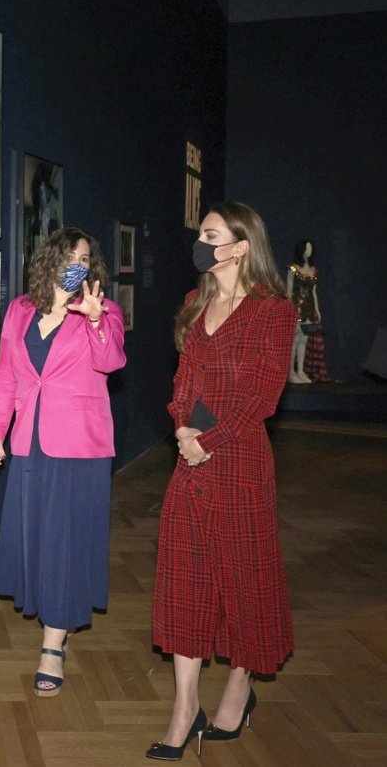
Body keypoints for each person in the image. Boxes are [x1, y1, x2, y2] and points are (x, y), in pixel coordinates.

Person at [147, 202, 296, 761]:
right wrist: (183, 428)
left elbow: (263, 394)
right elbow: (184, 375)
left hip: (239, 463)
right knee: (184, 580)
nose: (201, 242)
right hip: (191, 459)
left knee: (243, 581)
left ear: (240, 247)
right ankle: (185, 709)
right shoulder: (195, 302)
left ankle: (241, 684)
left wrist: (208, 441)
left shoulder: (273, 313)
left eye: (210, 234)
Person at [0, 226, 126, 697]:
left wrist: (92, 319)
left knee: (66, 541)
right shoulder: (19, 311)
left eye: (85, 259)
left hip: (79, 446)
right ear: (49, 260)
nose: (77, 266)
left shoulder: (105, 311)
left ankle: (53, 645)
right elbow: (6, 374)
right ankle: (49, 613)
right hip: (29, 441)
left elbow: (111, 362)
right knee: (37, 538)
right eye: (69, 257)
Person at [287, 239, 321, 384]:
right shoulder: (292, 269)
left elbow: (314, 293)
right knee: (294, 340)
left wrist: (317, 310)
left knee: (304, 341)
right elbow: (288, 292)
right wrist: (291, 312)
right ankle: (290, 372)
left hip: (309, 309)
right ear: (301, 250)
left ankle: (300, 370)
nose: (309, 251)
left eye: (311, 248)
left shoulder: (313, 271)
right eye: (307, 248)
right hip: (296, 308)